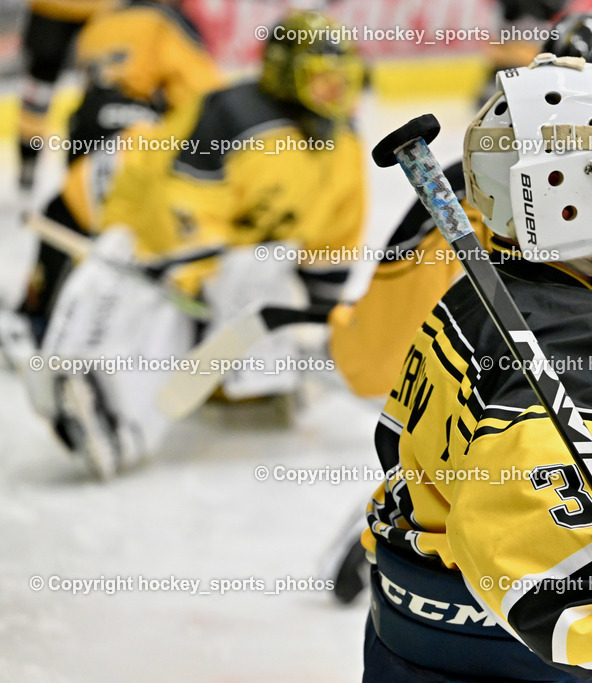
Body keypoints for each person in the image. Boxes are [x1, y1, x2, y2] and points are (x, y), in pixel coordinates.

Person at [361, 55, 592, 681]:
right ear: (567, 194)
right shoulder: (591, 337)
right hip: (523, 657)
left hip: (411, 627)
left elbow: (403, 445)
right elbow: (534, 541)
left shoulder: (480, 299)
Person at [21, 10, 369, 479]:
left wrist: (319, 323)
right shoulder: (232, 115)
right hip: (114, 200)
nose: (337, 94)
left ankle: (241, 385)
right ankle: (108, 407)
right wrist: (197, 289)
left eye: (343, 81)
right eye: (323, 80)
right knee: (161, 303)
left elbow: (331, 242)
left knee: (242, 283)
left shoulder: (343, 146)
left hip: (210, 236)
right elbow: (179, 207)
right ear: (287, 75)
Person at [11, 0, 223, 344]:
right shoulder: (168, 23)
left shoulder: (101, 21)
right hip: (136, 132)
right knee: (148, 228)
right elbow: (208, 101)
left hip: (86, 124)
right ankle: (163, 324)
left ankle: (37, 309)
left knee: (68, 207)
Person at [17, 0, 120, 200]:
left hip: (100, 10)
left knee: (100, 93)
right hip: (53, 8)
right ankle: (28, 158)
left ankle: (88, 168)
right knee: (38, 90)